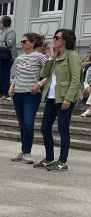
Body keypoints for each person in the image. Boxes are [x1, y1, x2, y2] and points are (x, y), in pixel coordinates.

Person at [36, 29, 83, 172]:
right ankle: (49, 159)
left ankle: (62, 162)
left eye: (57, 37)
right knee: (45, 127)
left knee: (63, 129)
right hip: (51, 97)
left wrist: (69, 98)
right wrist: (50, 57)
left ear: (66, 40)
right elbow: (43, 74)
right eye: (54, 37)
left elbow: (76, 79)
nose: (54, 39)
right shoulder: (54, 56)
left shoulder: (72, 55)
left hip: (64, 97)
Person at [8, 33, 47, 164]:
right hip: (18, 93)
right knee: (22, 124)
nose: (22, 43)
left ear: (32, 43)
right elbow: (17, 75)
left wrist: (39, 84)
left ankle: (27, 152)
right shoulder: (19, 58)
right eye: (22, 41)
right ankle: (23, 151)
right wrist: (12, 86)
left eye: (24, 41)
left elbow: (52, 72)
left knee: (28, 123)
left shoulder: (40, 57)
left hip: (31, 94)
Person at [0, 16, 17, 100]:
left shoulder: (10, 31)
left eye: (0, 22)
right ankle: (0, 92)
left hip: (7, 56)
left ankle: (6, 93)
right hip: (0, 56)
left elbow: (9, 43)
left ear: (4, 23)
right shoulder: (1, 32)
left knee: (5, 75)